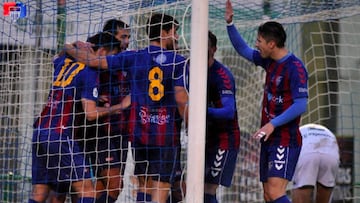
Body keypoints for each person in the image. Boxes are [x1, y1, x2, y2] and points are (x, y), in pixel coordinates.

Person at [64, 13, 189, 203]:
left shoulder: (134, 57)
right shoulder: (179, 62)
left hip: (141, 133)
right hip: (165, 135)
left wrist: (68, 48)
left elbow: (95, 61)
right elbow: (181, 99)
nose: (177, 37)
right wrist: (192, 125)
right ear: (164, 32)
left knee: (144, 185)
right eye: (175, 32)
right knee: (161, 188)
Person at [225, 0, 309, 202]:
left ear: (271, 44)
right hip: (269, 137)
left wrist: (272, 124)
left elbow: (301, 104)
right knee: (267, 195)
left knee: (275, 191)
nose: (256, 44)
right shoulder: (268, 60)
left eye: (260, 40)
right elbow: (243, 50)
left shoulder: (295, 68)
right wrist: (229, 24)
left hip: (285, 138)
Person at [29, 32, 123, 203]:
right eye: (112, 56)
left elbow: (57, 56)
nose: (111, 62)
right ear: (102, 51)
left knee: (40, 192)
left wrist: (70, 45)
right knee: (87, 191)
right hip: (60, 135)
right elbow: (91, 113)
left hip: (40, 131)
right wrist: (119, 107)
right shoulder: (90, 72)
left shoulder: (63, 62)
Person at [204, 30, 241, 203]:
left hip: (224, 140)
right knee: (192, 188)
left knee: (207, 190)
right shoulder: (189, 70)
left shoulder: (222, 76)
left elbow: (228, 112)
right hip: (204, 138)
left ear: (214, 49)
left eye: (206, 46)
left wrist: (199, 111)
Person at [292, 123, 340, 203]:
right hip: (330, 152)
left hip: (307, 152)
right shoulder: (327, 131)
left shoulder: (298, 130)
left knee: (302, 189)